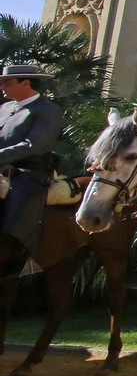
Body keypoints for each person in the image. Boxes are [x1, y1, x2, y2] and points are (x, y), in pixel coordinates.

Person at [0, 65, 63, 277]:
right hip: (2, 167)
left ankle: (15, 253)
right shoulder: (5, 108)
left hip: (29, 169)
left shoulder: (48, 109)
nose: (2, 87)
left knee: (20, 198)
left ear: (25, 83)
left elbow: (34, 145)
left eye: (7, 82)